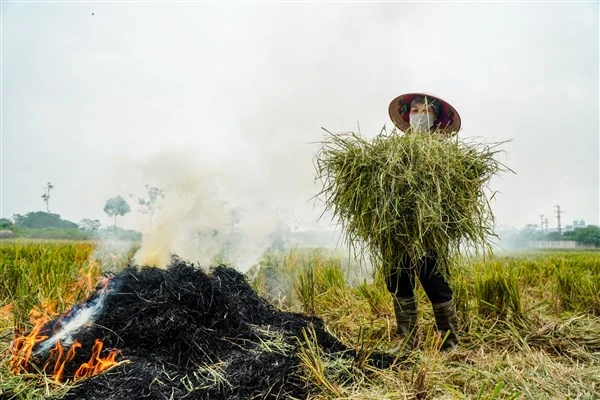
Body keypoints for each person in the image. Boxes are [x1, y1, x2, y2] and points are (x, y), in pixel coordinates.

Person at [385, 93, 462, 351]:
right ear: (408, 115)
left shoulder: (445, 153)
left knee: (435, 283)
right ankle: (407, 342)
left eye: (426, 110)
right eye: (415, 109)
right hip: (397, 230)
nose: (419, 114)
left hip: (430, 231)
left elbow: (454, 193)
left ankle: (450, 342)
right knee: (398, 281)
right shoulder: (393, 151)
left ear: (435, 117)